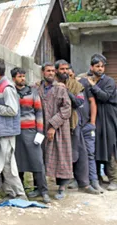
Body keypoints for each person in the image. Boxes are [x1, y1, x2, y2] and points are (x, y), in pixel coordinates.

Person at [0, 58, 26, 200]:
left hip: (7, 132)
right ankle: (10, 193)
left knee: (8, 164)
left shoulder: (7, 88)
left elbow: (13, 110)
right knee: (3, 164)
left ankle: (20, 194)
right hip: (1, 131)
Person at [54, 60, 99, 195]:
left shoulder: (76, 85)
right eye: (62, 69)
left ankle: (84, 184)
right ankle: (62, 186)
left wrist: (66, 91)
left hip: (73, 124)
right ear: (56, 70)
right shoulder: (52, 85)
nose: (65, 71)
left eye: (66, 69)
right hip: (56, 125)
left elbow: (79, 102)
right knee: (60, 155)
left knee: (81, 153)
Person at [11, 67, 50, 203]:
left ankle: (43, 191)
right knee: (17, 163)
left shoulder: (33, 92)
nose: (22, 78)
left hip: (31, 132)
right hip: (15, 133)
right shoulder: (10, 92)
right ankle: (20, 191)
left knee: (37, 162)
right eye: (19, 76)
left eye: (23, 76)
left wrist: (39, 132)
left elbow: (39, 112)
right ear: (13, 78)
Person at [37, 62, 72, 200]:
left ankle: (62, 188)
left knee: (61, 156)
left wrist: (53, 126)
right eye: (48, 71)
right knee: (40, 156)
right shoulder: (38, 89)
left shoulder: (60, 89)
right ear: (43, 72)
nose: (51, 73)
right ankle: (40, 188)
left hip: (59, 129)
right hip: (41, 128)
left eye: (52, 71)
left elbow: (67, 109)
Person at [86, 55, 117, 191]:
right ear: (91, 67)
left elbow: (105, 97)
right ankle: (97, 177)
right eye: (97, 66)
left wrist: (93, 86)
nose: (100, 68)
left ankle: (114, 179)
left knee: (110, 146)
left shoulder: (109, 81)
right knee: (96, 146)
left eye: (102, 66)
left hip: (108, 117)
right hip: (95, 118)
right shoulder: (88, 80)